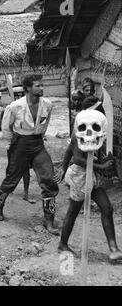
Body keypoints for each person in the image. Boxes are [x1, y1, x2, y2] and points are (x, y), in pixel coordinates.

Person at [0, 74, 60, 235]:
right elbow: (6, 128)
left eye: (42, 85)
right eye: (38, 86)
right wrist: (12, 145)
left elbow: (46, 123)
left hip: (38, 144)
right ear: (28, 88)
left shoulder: (48, 104)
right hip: (20, 144)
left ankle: (48, 219)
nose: (41, 88)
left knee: (48, 178)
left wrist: (40, 135)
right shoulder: (15, 107)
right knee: (12, 178)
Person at [56, 105, 122, 262]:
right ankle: (63, 244)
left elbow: (73, 153)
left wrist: (104, 161)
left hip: (92, 177)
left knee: (107, 208)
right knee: (73, 211)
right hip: (80, 176)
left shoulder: (98, 135)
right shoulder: (79, 135)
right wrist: (64, 168)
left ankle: (114, 248)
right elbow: (77, 158)